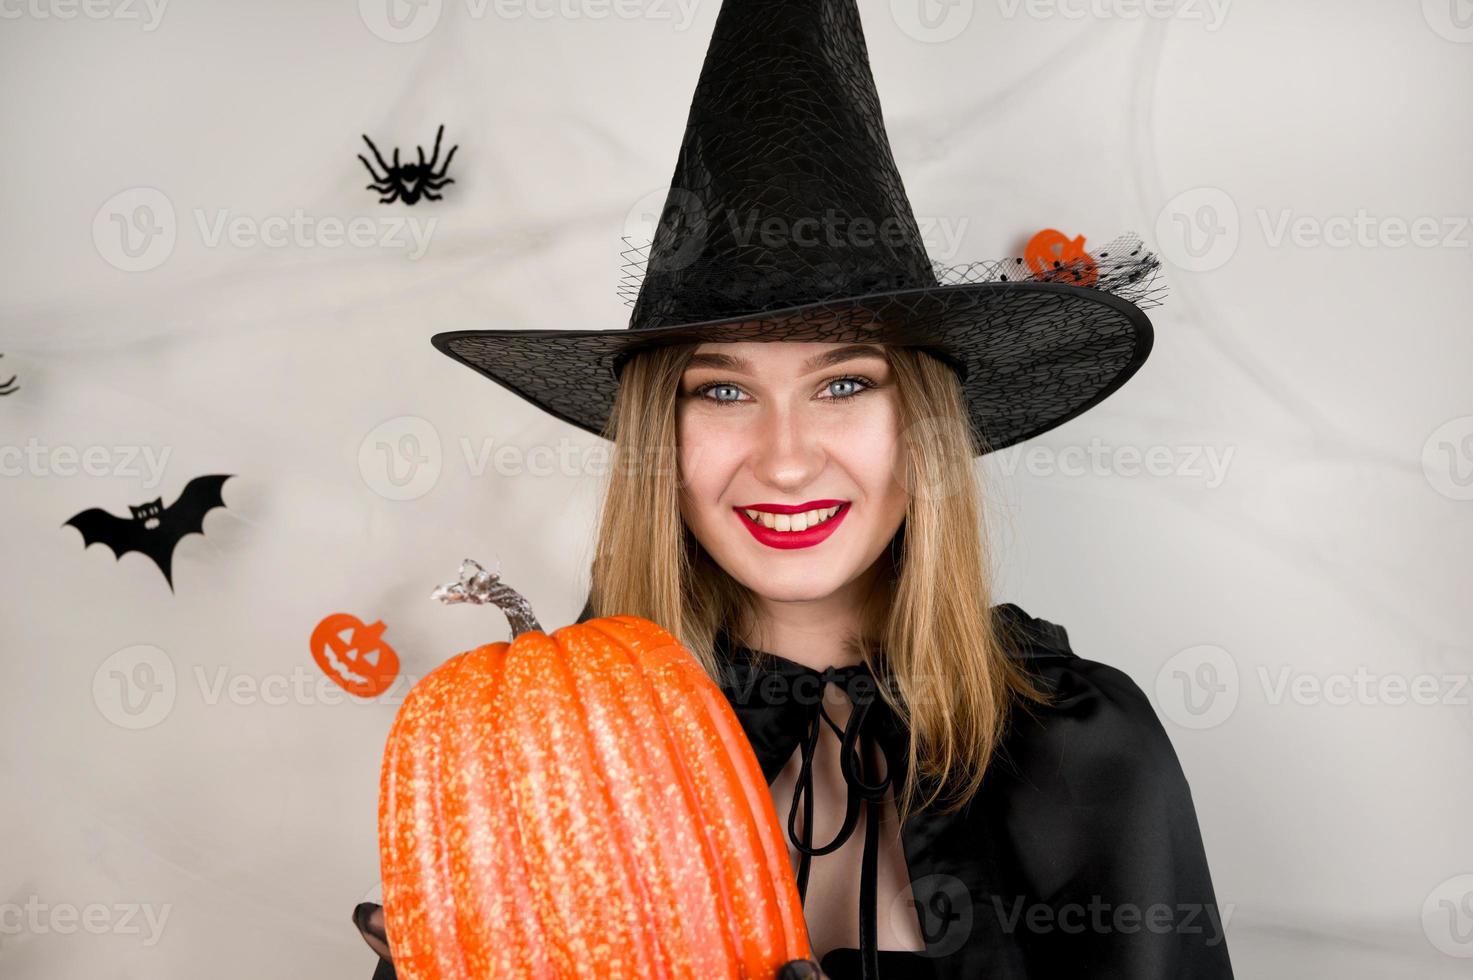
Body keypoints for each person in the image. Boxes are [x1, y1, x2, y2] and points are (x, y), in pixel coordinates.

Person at [353, 0, 1233, 977]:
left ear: (922, 422)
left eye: (845, 382)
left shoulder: (1086, 748)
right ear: (661, 436)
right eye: (723, 388)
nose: (782, 457)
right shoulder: (529, 765)